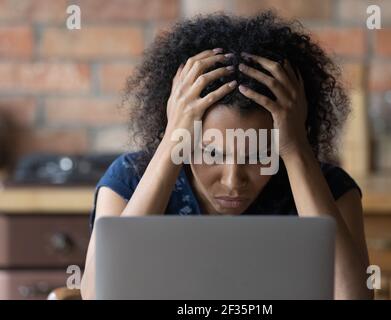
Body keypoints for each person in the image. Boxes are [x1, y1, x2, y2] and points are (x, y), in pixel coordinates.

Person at [81, 10, 372, 300]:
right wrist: (171, 142)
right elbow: (98, 296)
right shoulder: (130, 180)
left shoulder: (331, 191)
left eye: (259, 155)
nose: (233, 181)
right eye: (210, 153)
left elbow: (352, 297)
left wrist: (296, 150)